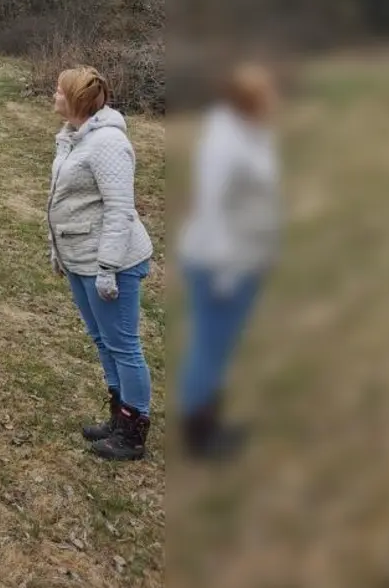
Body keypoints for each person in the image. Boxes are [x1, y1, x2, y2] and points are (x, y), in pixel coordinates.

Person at [47, 66, 157, 462]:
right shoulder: (73, 139)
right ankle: (118, 414)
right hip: (80, 259)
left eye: (59, 91)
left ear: (75, 99)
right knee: (102, 340)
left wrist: (108, 266)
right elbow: (65, 201)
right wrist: (58, 251)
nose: (53, 95)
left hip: (111, 263)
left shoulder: (108, 143)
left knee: (123, 344)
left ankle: (133, 430)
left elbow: (119, 209)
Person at [175, 63, 281, 459]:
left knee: (220, 350)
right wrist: (222, 272)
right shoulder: (223, 142)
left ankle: (211, 422)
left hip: (245, 260)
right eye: (267, 95)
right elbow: (212, 207)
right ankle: (199, 435)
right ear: (248, 99)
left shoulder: (252, 135)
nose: (274, 102)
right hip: (218, 264)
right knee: (208, 347)